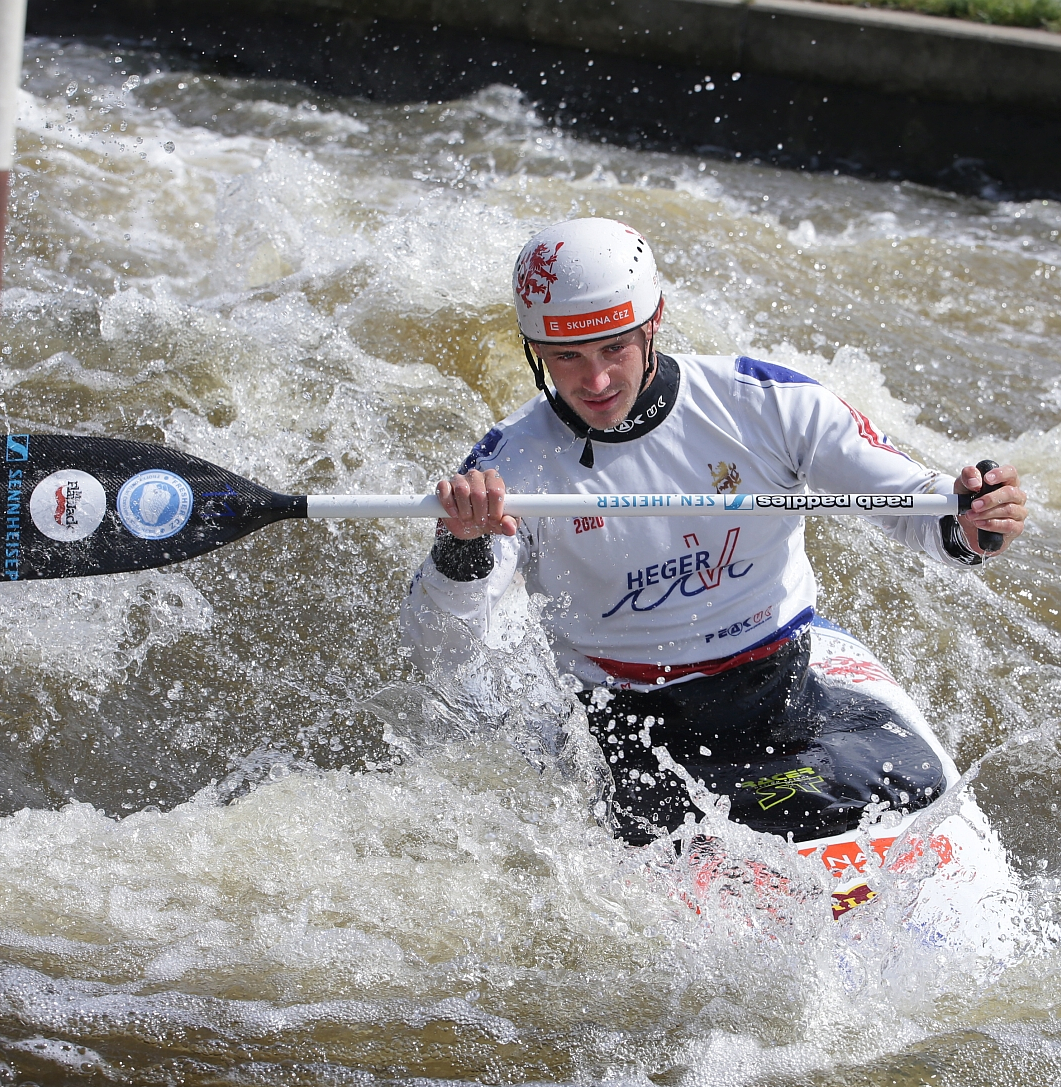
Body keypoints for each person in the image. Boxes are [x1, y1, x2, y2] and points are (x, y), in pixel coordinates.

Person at [400, 218, 1027, 848]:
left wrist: (974, 518)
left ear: (654, 320)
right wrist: (462, 547)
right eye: (568, 357)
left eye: (614, 348)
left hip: (782, 697)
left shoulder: (764, 404)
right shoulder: (507, 470)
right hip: (627, 727)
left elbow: (916, 503)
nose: (596, 382)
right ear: (535, 350)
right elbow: (443, 651)